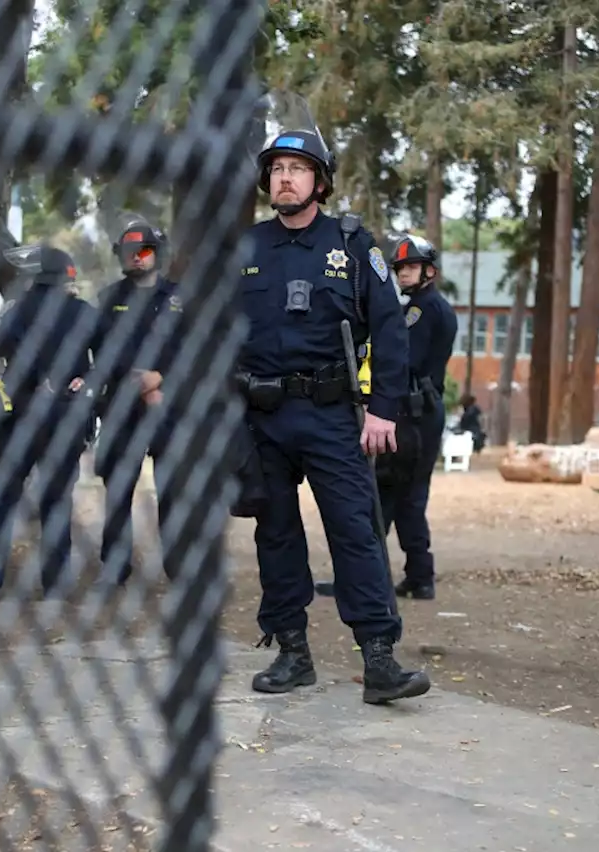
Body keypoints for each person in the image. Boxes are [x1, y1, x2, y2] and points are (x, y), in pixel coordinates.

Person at [238, 103, 430, 705]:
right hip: (259, 415)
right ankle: (292, 653)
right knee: (275, 532)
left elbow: (391, 330)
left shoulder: (352, 244)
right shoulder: (245, 248)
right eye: (276, 169)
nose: (284, 178)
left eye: (297, 168)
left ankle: (379, 661)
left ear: (319, 181)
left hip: (328, 412)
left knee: (354, 530)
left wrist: (384, 409)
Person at [0, 245, 97, 600]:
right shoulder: (82, 312)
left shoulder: (18, 311)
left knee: (1, 499)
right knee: (56, 500)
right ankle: (56, 583)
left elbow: (6, 354)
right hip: (65, 418)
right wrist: (87, 380)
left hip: (20, 419)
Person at [89, 219, 184, 588]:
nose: (138, 258)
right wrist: (138, 381)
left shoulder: (180, 298)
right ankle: (114, 569)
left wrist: (161, 378)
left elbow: (193, 350)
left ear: (157, 254)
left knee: (173, 488)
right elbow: (102, 351)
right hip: (120, 406)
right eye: (131, 252)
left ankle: (178, 567)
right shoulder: (108, 299)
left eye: (144, 250)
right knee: (118, 489)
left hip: (168, 407)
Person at [381, 235, 456, 600]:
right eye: (400, 267)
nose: (403, 272)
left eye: (410, 266)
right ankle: (417, 574)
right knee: (406, 493)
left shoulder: (421, 310)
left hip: (414, 412)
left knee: (389, 491)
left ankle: (373, 576)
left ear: (429, 271)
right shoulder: (426, 306)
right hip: (421, 410)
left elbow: (403, 359)